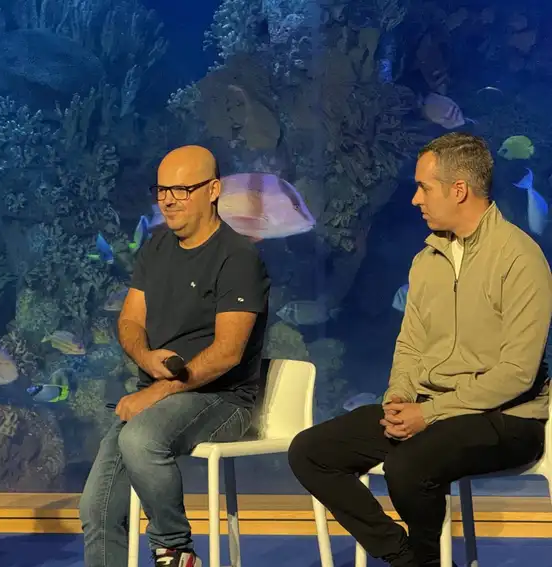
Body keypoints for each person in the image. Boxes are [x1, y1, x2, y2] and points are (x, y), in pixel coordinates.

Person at [288, 132, 551, 567]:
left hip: (506, 419)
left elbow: (517, 374)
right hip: (430, 410)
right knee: (310, 452)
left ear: (459, 190)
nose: (415, 200)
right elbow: (409, 344)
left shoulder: (520, 259)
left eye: (424, 187)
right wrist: (398, 398)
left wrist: (427, 414)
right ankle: (406, 557)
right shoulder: (426, 261)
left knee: (408, 466)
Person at [79, 145, 271, 567]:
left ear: (214, 190)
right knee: (97, 509)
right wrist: (146, 358)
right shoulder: (157, 245)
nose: (168, 199)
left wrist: (156, 392)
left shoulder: (238, 257)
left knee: (140, 437)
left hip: (222, 399)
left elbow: (226, 354)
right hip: (160, 395)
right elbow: (129, 321)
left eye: (183, 189)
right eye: (163, 189)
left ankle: (174, 551)